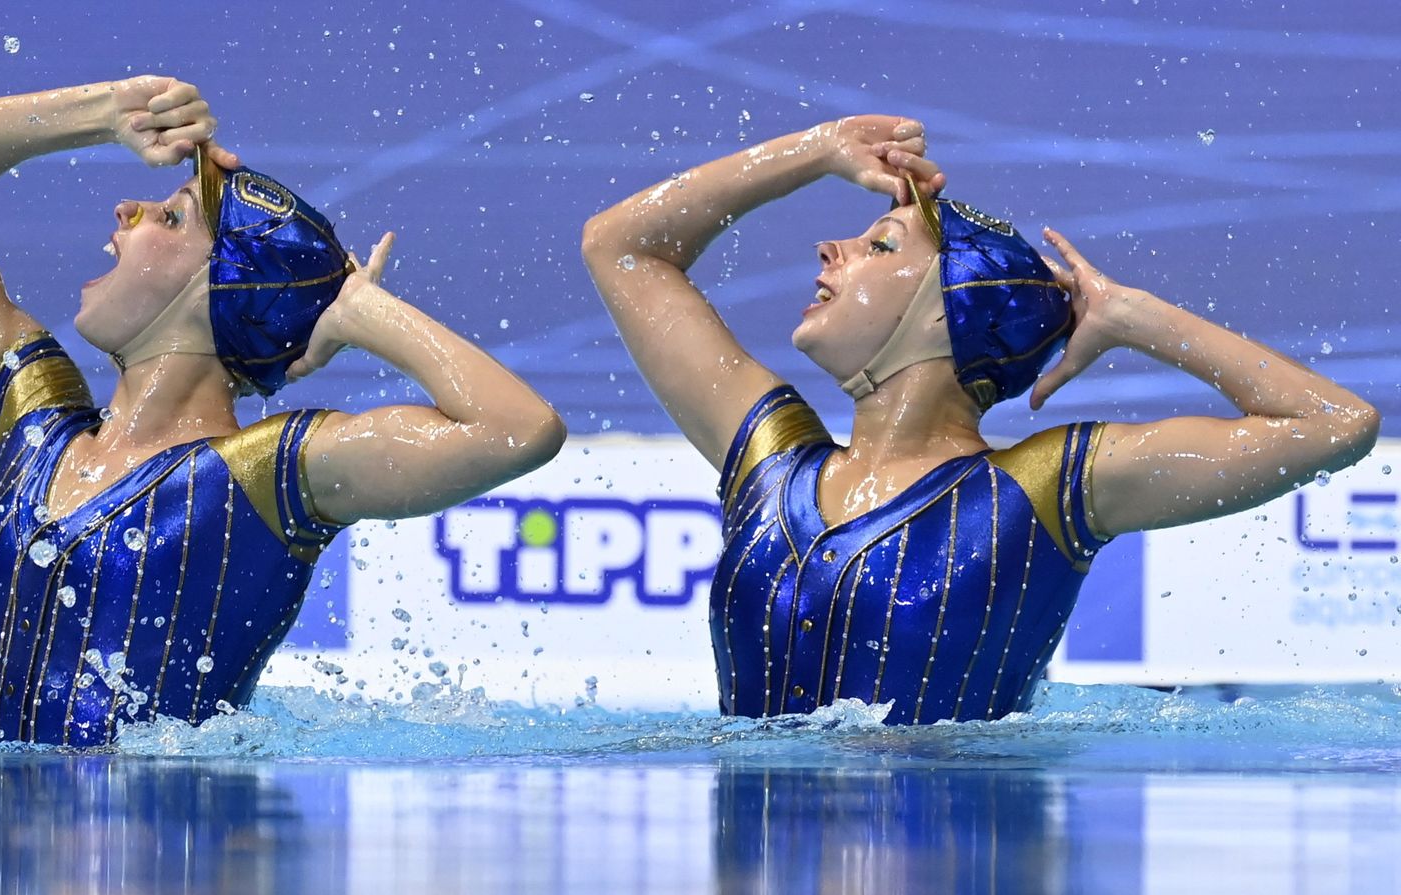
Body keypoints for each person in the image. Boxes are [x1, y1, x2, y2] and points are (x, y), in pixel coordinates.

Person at [582, 115, 1378, 724]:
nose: (831, 249)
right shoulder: (769, 462)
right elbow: (620, 247)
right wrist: (816, 149)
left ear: (946, 316)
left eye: (879, 246)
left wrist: (1135, 318)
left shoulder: (1044, 489)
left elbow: (1333, 423)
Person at [0, 77, 565, 745]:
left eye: (168, 215)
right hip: (3, 877)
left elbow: (517, 431)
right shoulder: (30, 429)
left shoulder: (269, 475)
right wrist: (106, 114)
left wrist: (362, 310)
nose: (125, 210)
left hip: (182, 874)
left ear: (218, 288)